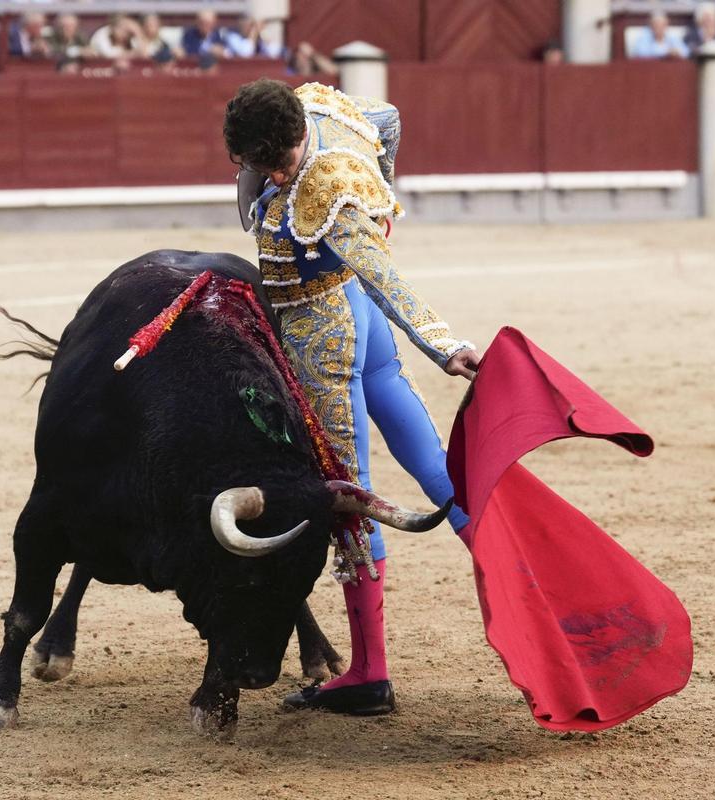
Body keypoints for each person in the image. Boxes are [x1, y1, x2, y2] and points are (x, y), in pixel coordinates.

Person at [222, 79, 479, 715]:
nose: (270, 176)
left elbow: (381, 270)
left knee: (349, 494)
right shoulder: (324, 111)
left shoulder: (326, 189)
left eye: (271, 165)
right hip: (363, 322)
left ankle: (368, 674)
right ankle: (517, 581)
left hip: (325, 335)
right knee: (434, 465)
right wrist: (382, 184)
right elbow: (387, 116)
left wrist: (445, 345)